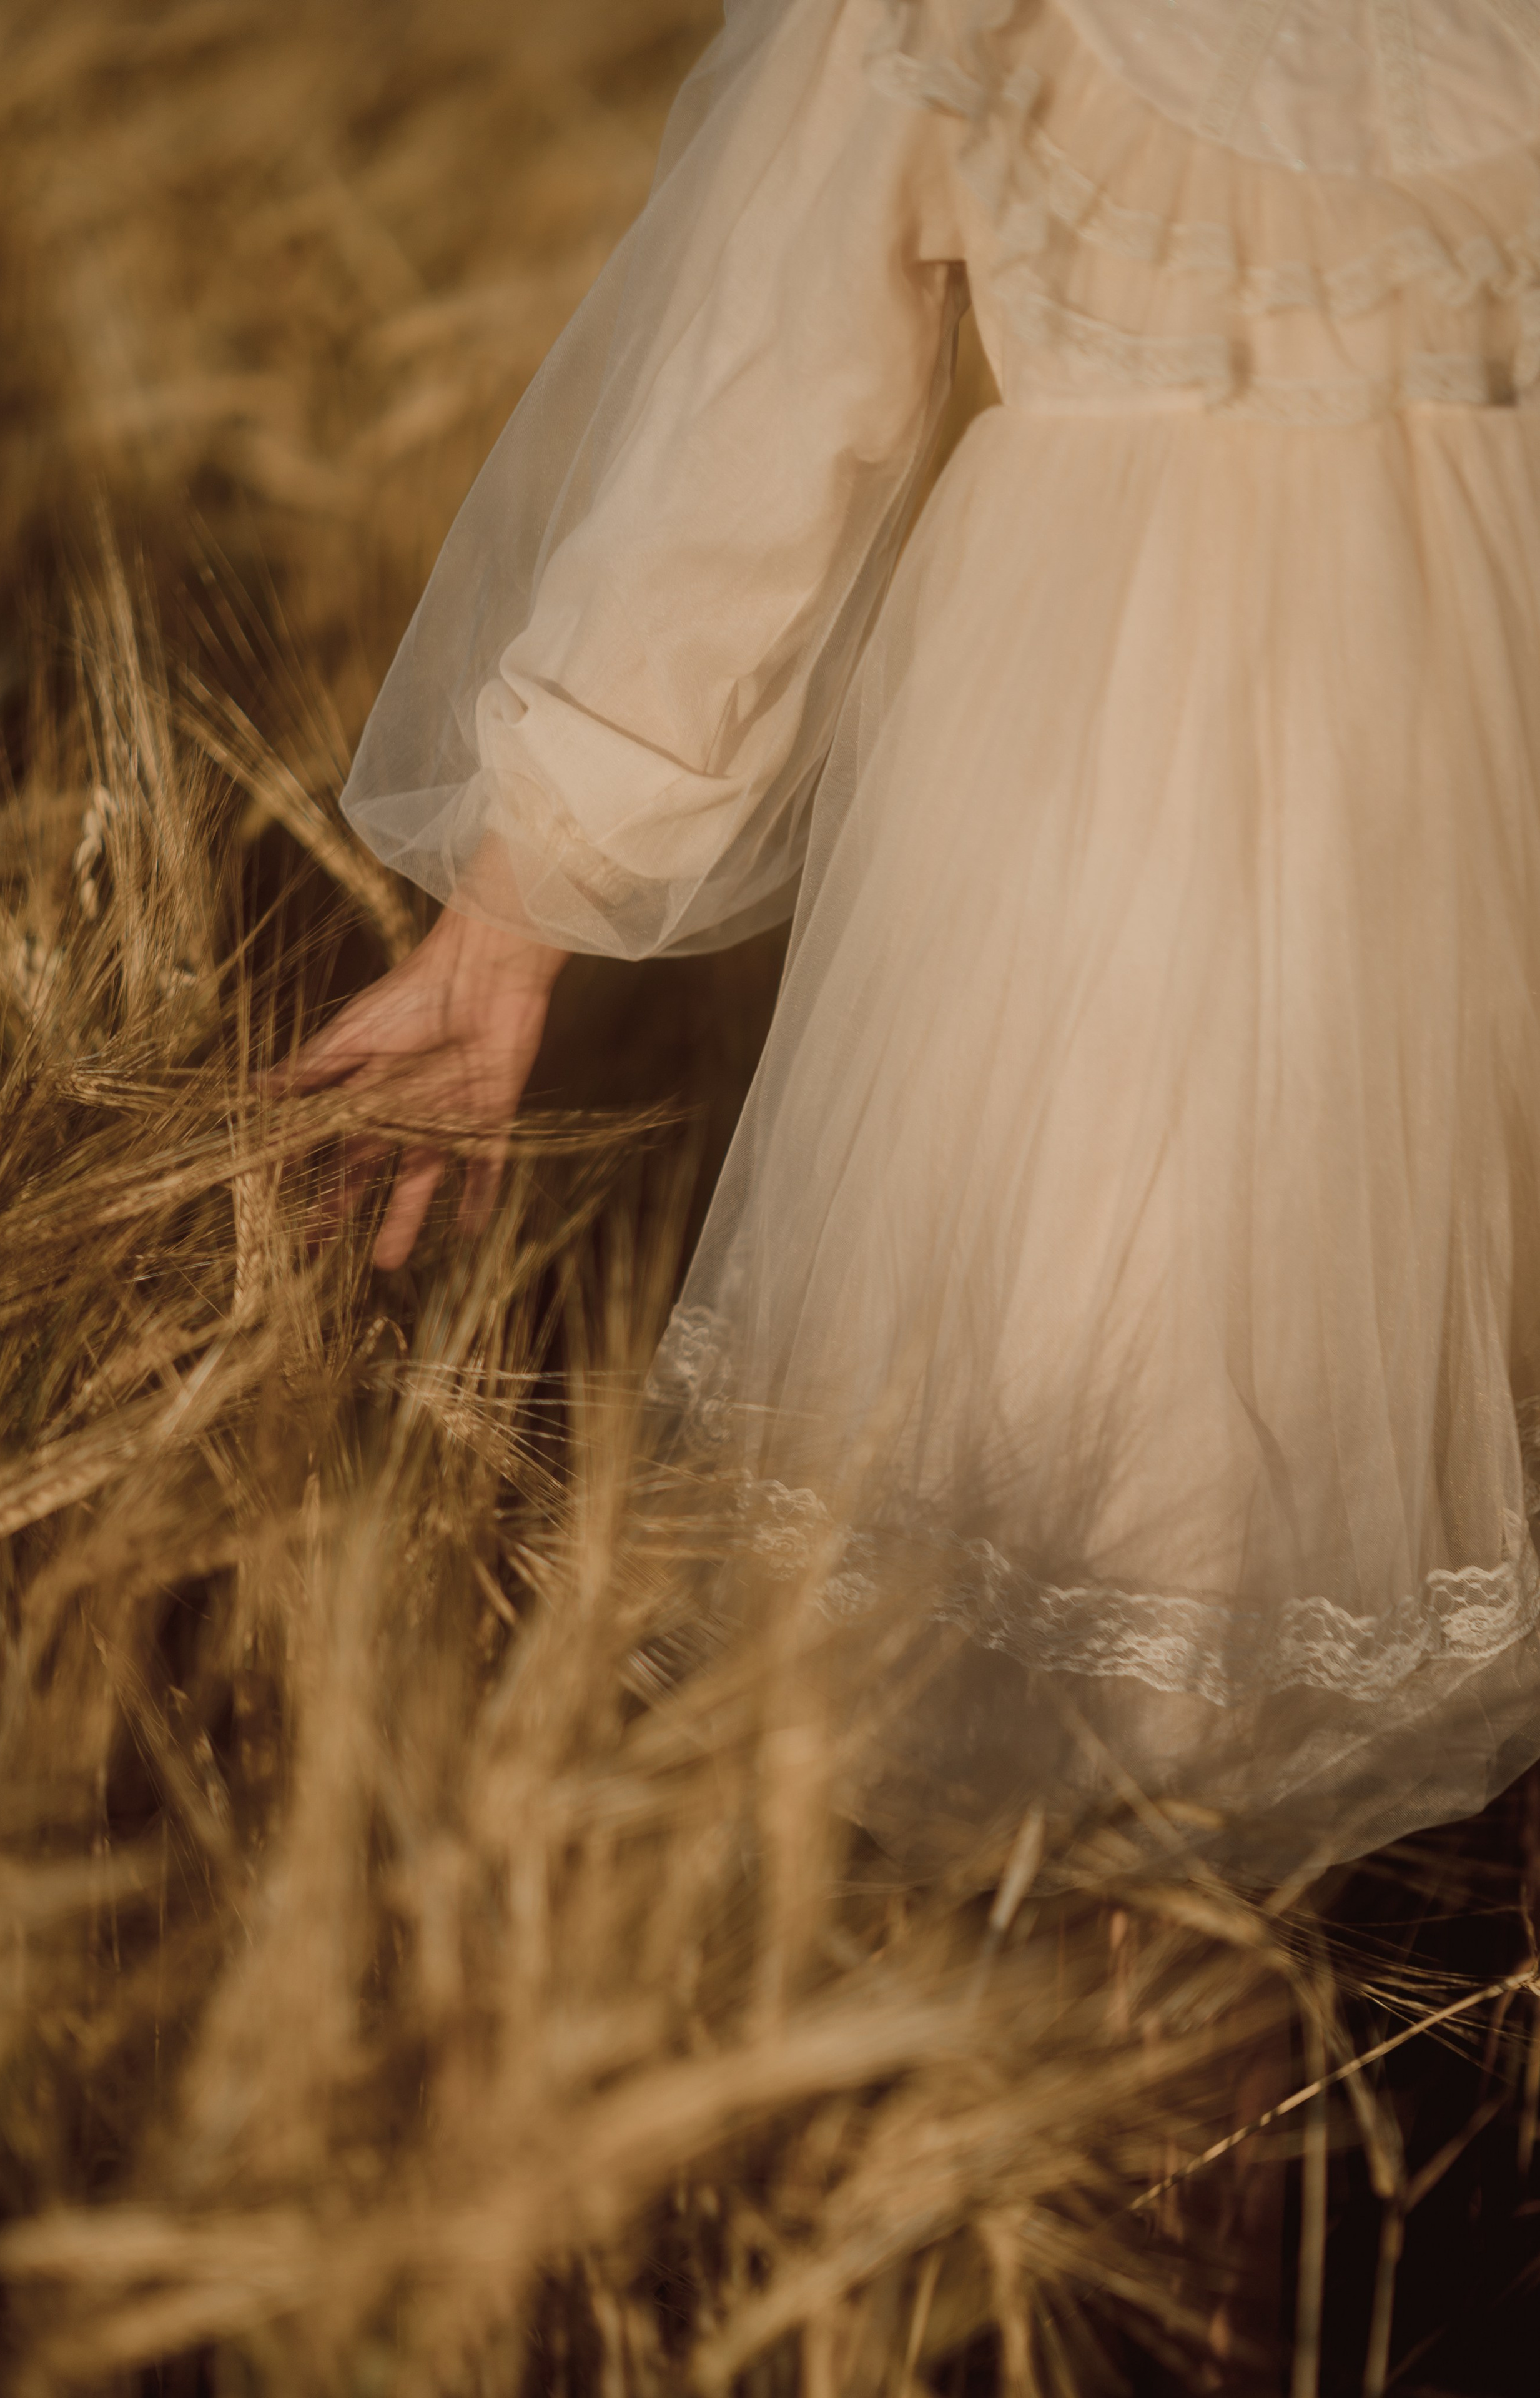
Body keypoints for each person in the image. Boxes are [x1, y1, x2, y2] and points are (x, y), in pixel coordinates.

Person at [292, 0, 1540, 1887]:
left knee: (1395, 1420)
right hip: (1116, 811)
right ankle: (1144, 2075)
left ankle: (1234, 2083)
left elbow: (756, 416)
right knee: (1151, 1460)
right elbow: (750, 419)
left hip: (1483, 809)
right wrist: (514, 917)